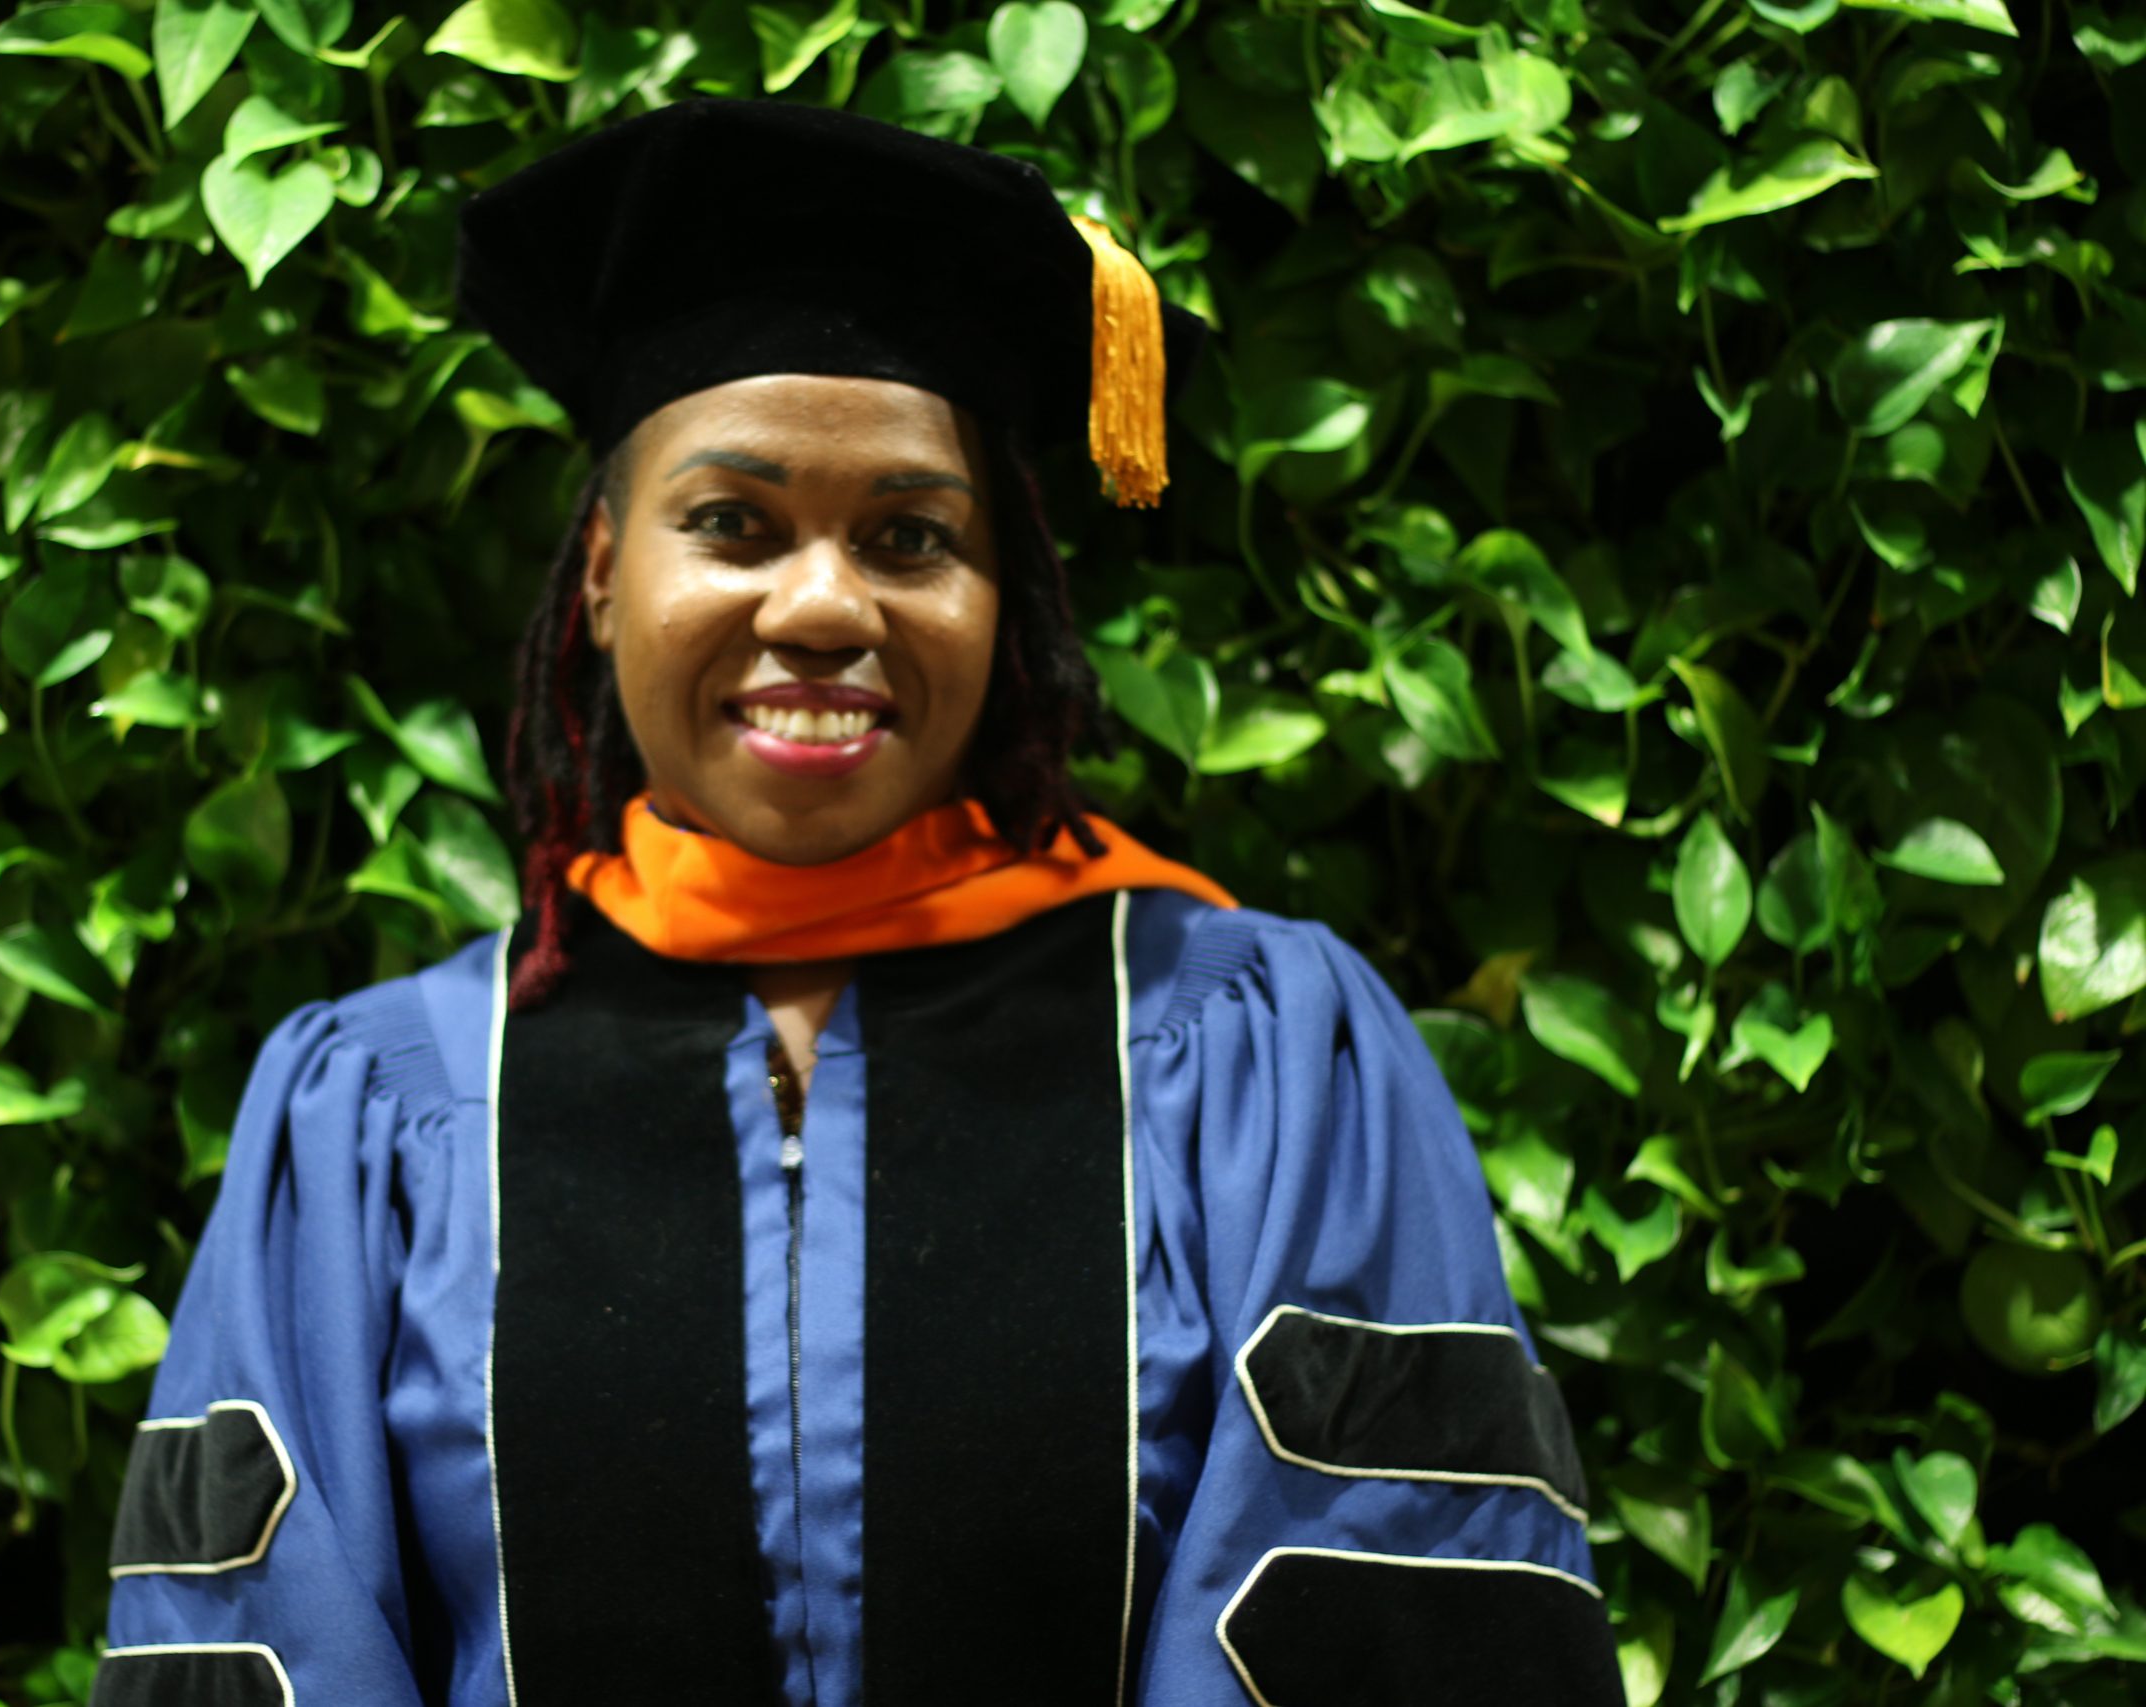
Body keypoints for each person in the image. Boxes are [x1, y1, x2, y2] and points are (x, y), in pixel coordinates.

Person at [91, 99, 1623, 1707]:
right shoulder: (385, 1115)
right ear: (607, 568)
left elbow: (1391, 1618)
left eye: (910, 537)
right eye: (732, 523)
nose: (822, 605)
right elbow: (257, 1650)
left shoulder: (1248, 1060)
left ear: (1000, 594)